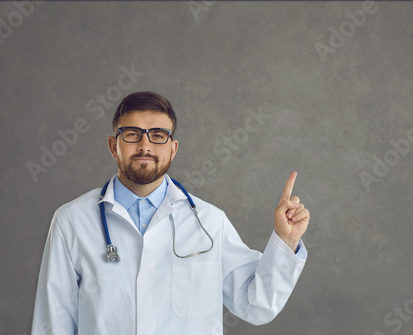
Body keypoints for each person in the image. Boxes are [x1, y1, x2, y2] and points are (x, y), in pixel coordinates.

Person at [31, 91, 310, 335]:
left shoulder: (209, 223)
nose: (145, 145)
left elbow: (256, 305)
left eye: (158, 135)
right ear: (113, 146)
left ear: (173, 148)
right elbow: (53, 322)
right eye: (132, 134)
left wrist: (285, 242)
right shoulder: (71, 221)